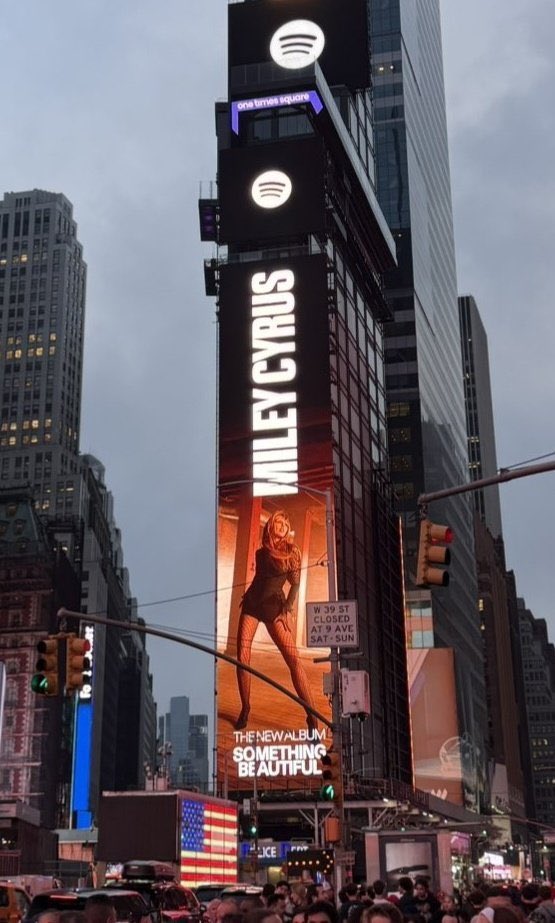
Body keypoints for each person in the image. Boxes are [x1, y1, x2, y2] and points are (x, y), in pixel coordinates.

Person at [234, 509, 318, 731]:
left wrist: (287, 609)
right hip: (252, 604)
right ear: (271, 525)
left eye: (285, 521)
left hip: (274, 608)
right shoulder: (261, 553)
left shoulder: (292, 552)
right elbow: (259, 578)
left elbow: (296, 583)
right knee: (242, 657)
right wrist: (248, 595)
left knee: (294, 660)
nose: (282, 524)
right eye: (278, 521)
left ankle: (312, 716)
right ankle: (246, 708)